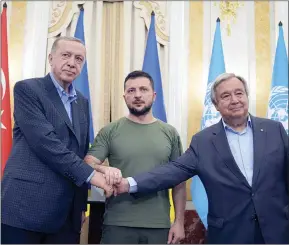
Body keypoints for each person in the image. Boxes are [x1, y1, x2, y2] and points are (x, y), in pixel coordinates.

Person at [115, 73, 289, 244]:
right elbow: (172, 171)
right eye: (226, 96)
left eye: (239, 93)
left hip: (277, 232)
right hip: (229, 235)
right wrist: (129, 183)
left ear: (246, 96)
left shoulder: (275, 130)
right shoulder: (204, 141)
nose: (235, 100)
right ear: (216, 105)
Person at [1, 36, 113, 244]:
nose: (72, 62)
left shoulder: (82, 101)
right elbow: (46, 143)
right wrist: (92, 176)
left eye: (79, 59)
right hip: (24, 208)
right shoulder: (28, 90)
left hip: (66, 217)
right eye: (66, 55)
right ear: (51, 58)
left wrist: (79, 207)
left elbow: (78, 152)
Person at [84, 70, 186, 244]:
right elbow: (87, 163)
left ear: (154, 95)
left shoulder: (170, 133)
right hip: (117, 223)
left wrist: (179, 222)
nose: (137, 95)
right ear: (124, 97)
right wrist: (104, 168)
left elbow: (179, 181)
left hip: (158, 225)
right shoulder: (110, 130)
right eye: (131, 91)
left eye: (143, 89)